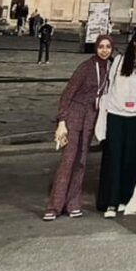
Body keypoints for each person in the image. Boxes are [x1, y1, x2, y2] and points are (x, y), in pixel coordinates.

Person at [43, 34, 115, 220]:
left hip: (91, 117)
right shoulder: (85, 67)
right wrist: (61, 121)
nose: (104, 50)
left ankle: (73, 203)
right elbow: (67, 94)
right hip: (75, 115)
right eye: (101, 47)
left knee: (81, 161)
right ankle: (54, 206)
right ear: (95, 48)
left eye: (108, 47)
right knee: (68, 160)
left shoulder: (111, 66)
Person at [97, 29, 136, 218]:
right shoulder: (120, 61)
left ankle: (125, 198)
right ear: (134, 42)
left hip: (135, 115)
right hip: (115, 112)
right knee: (113, 156)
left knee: (129, 158)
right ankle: (110, 202)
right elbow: (109, 85)